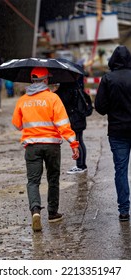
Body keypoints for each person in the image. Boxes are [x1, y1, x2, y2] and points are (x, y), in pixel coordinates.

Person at [12, 67, 79, 232]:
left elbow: (17, 124)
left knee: (33, 181)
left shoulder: (22, 100)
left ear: (31, 80)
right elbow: (63, 124)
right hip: (51, 146)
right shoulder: (53, 98)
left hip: (32, 146)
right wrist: (73, 143)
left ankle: (35, 211)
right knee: (53, 179)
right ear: (45, 80)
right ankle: (52, 213)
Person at [95, 45, 131, 222]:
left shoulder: (108, 79)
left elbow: (100, 107)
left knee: (121, 170)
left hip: (117, 132)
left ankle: (124, 210)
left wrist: (114, 106)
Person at [55, 80, 93, 174]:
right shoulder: (77, 86)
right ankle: (82, 165)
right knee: (80, 140)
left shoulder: (67, 88)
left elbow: (64, 100)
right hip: (80, 117)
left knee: (77, 141)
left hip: (74, 118)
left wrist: (56, 92)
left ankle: (80, 166)